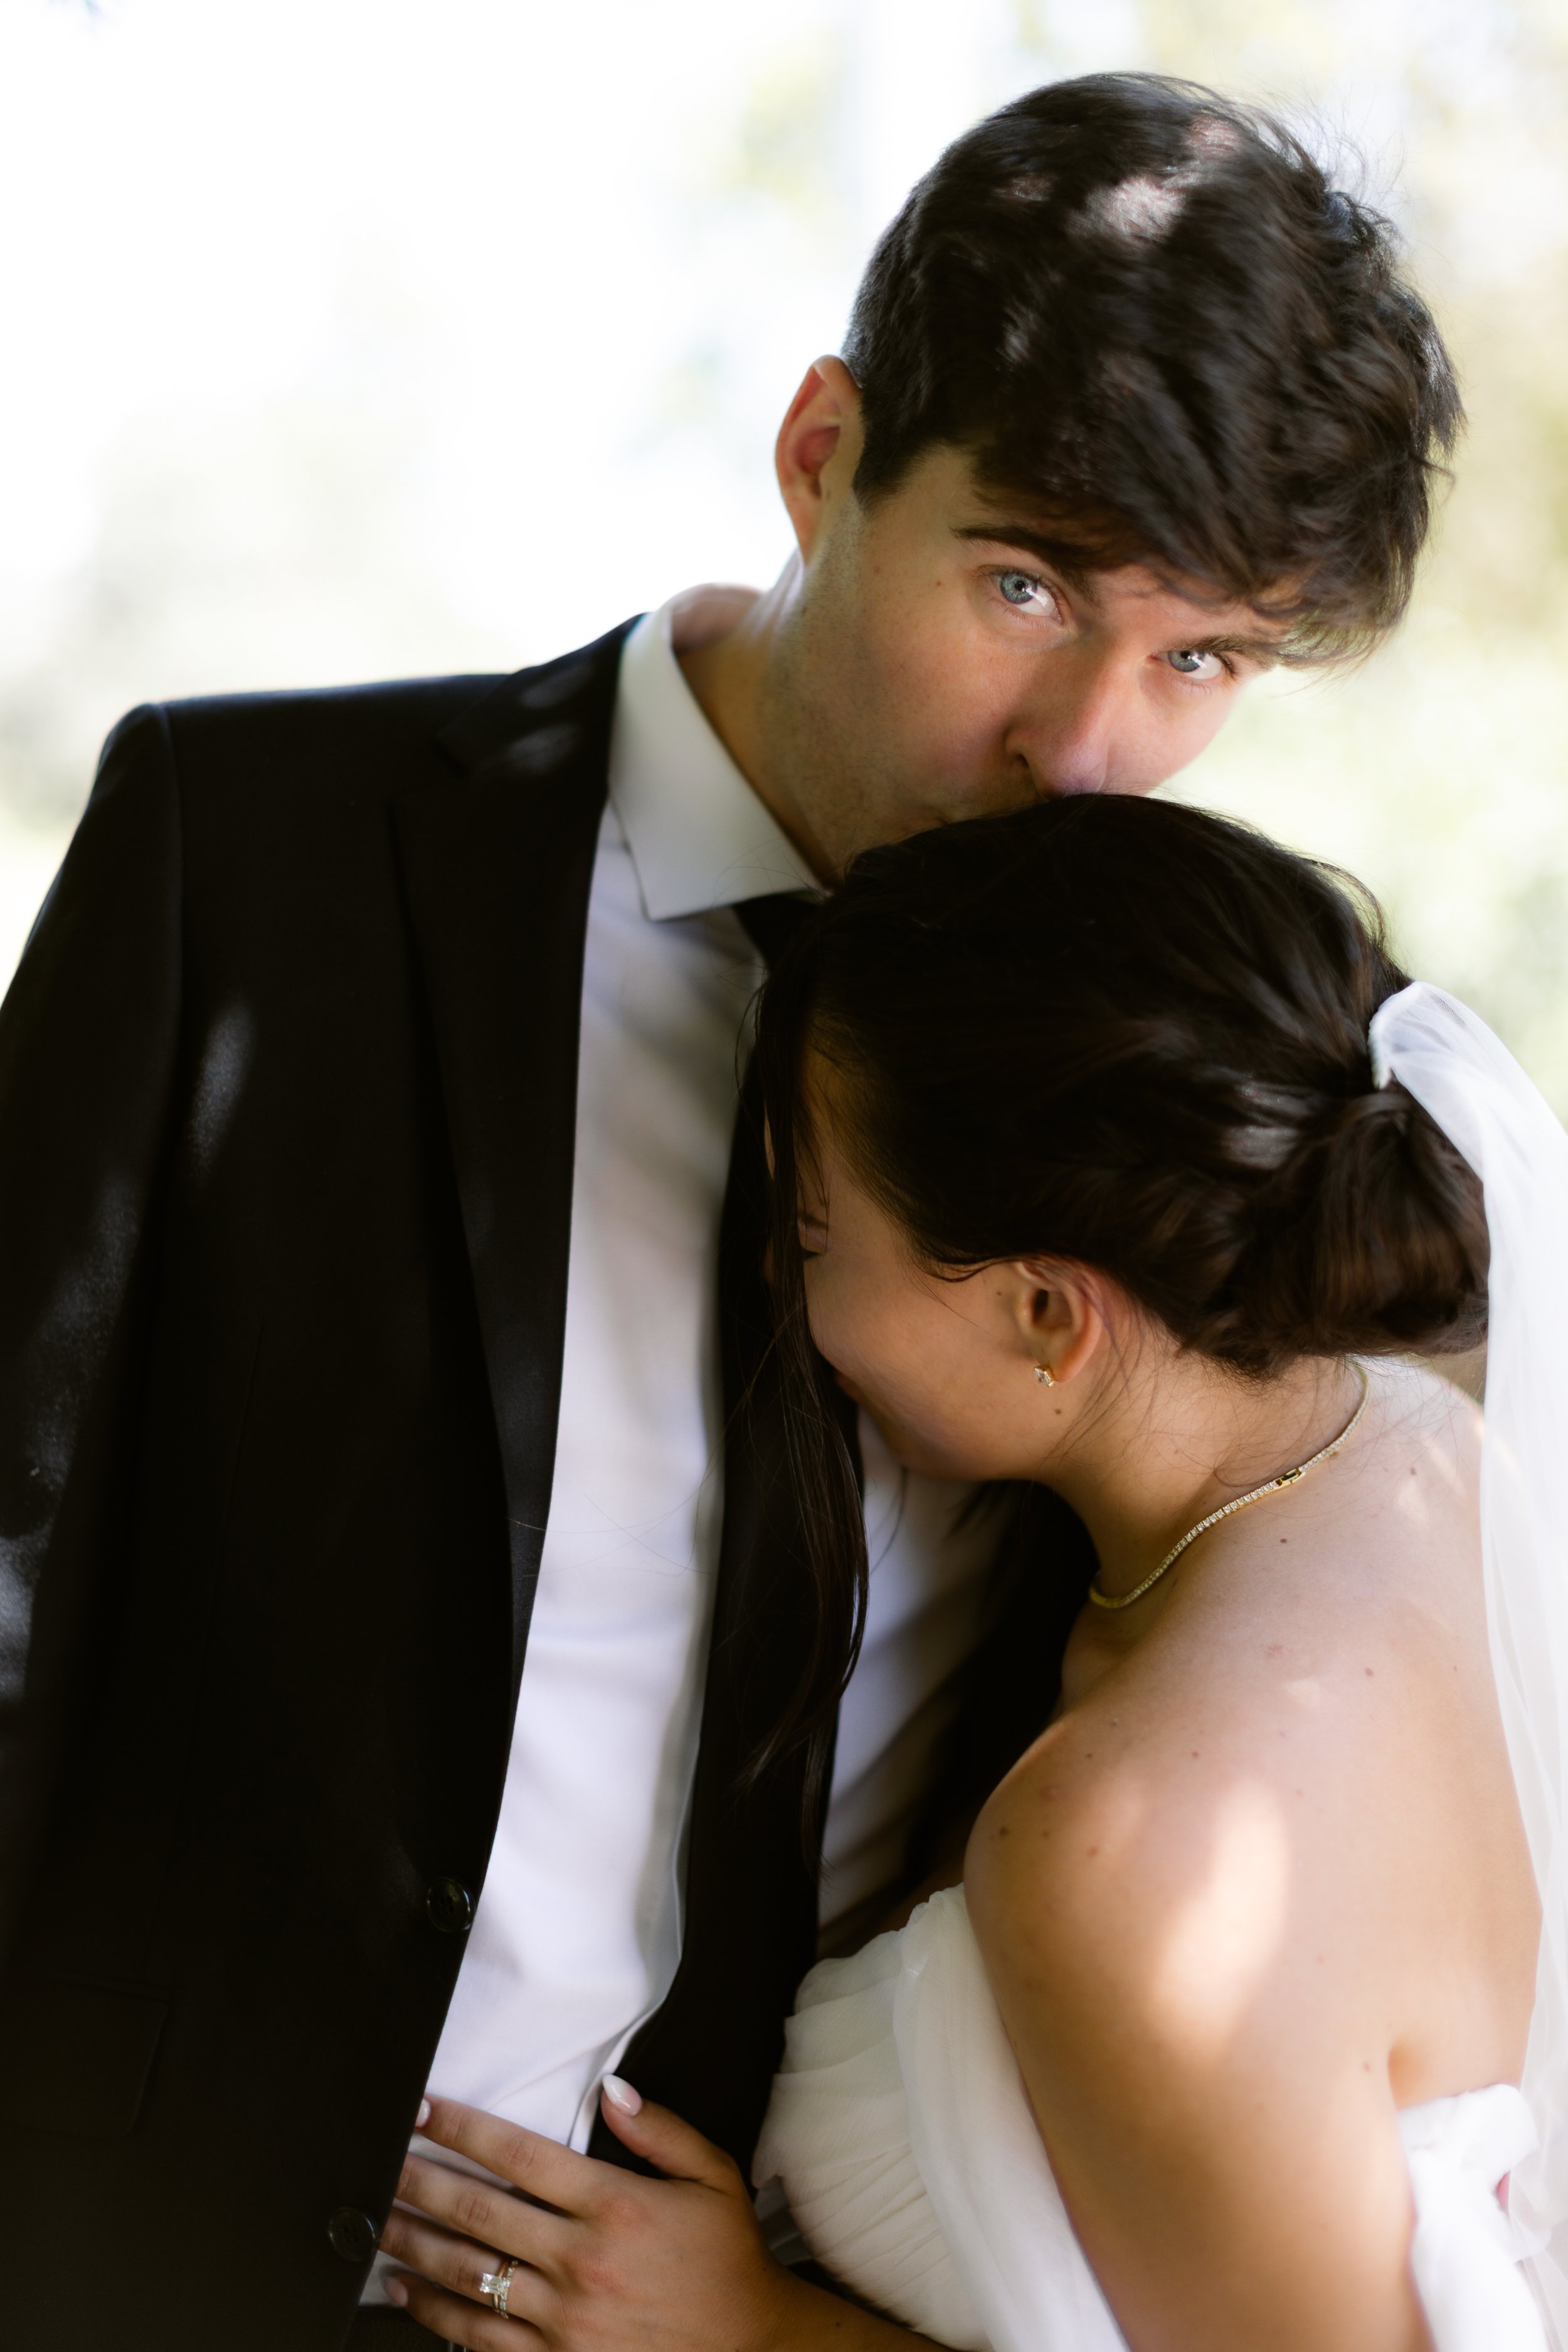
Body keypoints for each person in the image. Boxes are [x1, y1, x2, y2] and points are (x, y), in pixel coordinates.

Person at [0, 75, 1456, 2351]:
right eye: (1027, 582)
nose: (1085, 744)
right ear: (817, 454)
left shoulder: (1206, 1056)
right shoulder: (250, 856)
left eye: (1202, 660)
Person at [377, 795, 1563, 2352]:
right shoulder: (1425, 1455)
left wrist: (746, 2331)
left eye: (810, 1238)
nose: (776, 1292)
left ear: (1046, 1317)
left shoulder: (1132, 1846)